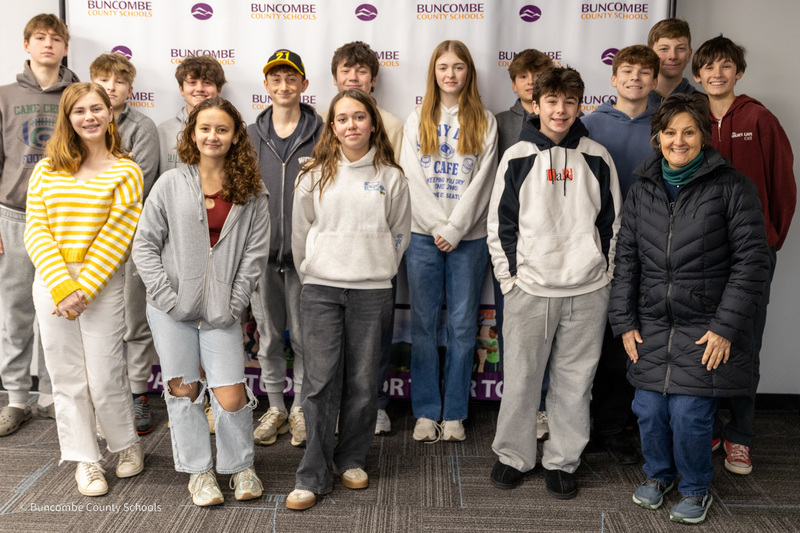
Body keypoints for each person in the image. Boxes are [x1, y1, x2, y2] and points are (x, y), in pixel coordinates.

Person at [609, 93, 768, 524]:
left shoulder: (733, 187)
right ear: (657, 137)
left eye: (689, 132)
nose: (679, 141)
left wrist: (725, 328)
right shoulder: (642, 188)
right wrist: (624, 322)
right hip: (653, 324)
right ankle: (659, 476)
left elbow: (753, 263)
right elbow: (625, 259)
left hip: (706, 327)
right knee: (648, 409)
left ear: (704, 135)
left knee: (689, 413)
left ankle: (696, 487)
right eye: (670, 132)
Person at [488, 67, 621, 499]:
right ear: (536, 104)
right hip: (531, 289)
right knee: (523, 378)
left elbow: (612, 225)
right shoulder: (518, 156)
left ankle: (563, 459)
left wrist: (605, 276)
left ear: (579, 104)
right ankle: (513, 455)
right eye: (551, 101)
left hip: (586, 290)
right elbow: (500, 225)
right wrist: (510, 280)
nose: (560, 110)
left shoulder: (598, 156)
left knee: (574, 382)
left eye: (569, 101)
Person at [133, 98, 269, 507]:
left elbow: (255, 255)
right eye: (205, 128)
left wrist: (235, 301)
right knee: (183, 390)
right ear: (192, 133)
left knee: (230, 394)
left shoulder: (251, 190)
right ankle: (199, 472)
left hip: (221, 312)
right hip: (170, 309)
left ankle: (240, 466)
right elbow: (144, 246)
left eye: (222, 129)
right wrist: (168, 298)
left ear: (235, 136)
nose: (213, 136)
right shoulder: (170, 184)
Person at [285, 88, 410, 511]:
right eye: (342, 119)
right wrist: (314, 271)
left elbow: (399, 233)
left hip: (372, 292)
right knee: (319, 383)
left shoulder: (391, 176)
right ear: (332, 127)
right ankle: (313, 473)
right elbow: (301, 235)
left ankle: (352, 459)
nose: (351, 125)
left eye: (359, 117)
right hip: (320, 289)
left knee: (361, 383)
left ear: (372, 123)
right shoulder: (313, 174)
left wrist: (378, 266)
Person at [24, 82, 144, 496]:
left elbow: (119, 234)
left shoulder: (126, 170)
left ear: (110, 114)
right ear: (68, 118)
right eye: (80, 111)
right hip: (52, 281)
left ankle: (126, 445)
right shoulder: (45, 170)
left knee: (106, 373)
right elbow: (36, 230)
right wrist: (61, 286)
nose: (89, 116)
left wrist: (84, 288)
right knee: (67, 376)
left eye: (97, 108)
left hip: (102, 283)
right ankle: (86, 460)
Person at [692, 35, 796, 475]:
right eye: (709, 67)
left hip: (750, 256)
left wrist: (769, 239)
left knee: (744, 345)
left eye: (726, 66)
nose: (717, 74)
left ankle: (740, 437)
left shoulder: (758, 118)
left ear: (737, 71)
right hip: (700, 256)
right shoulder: (690, 117)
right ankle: (711, 428)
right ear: (697, 75)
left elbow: (783, 187)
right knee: (703, 343)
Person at [400, 40, 497, 443]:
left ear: (468, 73)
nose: (451, 74)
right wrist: (439, 226)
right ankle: (426, 411)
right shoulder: (416, 118)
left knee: (461, 326)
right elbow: (410, 177)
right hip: (422, 236)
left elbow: (484, 181)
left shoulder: (485, 120)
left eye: (458, 67)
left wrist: (455, 228)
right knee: (423, 325)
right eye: (443, 67)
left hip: (469, 239)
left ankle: (454, 411)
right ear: (433, 72)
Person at [581, 44, 660, 465]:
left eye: (644, 72)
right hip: (595, 250)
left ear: (653, 78)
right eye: (627, 71)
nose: (635, 79)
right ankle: (582, 426)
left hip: (649, 251)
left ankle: (613, 427)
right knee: (586, 343)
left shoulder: (666, 122)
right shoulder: (589, 124)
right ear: (613, 79)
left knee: (626, 345)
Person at [0, 13, 77, 436]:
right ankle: (15, 397)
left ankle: (50, 394)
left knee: (56, 304)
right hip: (13, 214)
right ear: (26, 45)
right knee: (15, 310)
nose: (48, 44)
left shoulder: (78, 96)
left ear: (65, 47)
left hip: (63, 219)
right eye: (40, 38)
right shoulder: (5, 96)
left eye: (55, 38)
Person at [250, 49, 323, 449]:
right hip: (262, 258)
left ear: (304, 85)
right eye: (275, 79)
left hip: (306, 259)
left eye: (291, 79)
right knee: (269, 338)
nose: (283, 86)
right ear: (266, 86)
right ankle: (276, 406)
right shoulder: (248, 135)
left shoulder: (323, 133)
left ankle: (300, 409)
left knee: (306, 340)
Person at [330, 41, 403, 434]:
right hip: (332, 257)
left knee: (374, 337)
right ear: (336, 77)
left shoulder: (391, 124)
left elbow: (399, 197)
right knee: (333, 339)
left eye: (361, 72)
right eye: (346, 71)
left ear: (373, 79)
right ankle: (338, 405)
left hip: (375, 256)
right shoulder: (324, 122)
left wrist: (389, 257)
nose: (353, 77)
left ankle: (374, 404)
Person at [90, 52, 160, 435]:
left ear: (129, 89)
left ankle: (137, 394)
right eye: (103, 80)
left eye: (118, 82)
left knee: (134, 321)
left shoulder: (143, 127)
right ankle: (104, 395)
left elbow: (138, 186)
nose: (110, 87)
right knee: (99, 322)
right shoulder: (80, 124)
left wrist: (108, 171)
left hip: (130, 240)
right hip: (86, 240)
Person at [494, 48, 554, 440]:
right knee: (512, 332)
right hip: (512, 245)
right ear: (513, 84)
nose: (531, 82)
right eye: (524, 76)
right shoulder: (499, 123)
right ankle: (518, 408)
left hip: (555, 250)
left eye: (539, 75)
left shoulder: (567, 124)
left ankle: (547, 408)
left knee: (553, 333)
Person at [157, 56, 226, 175]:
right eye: (192, 82)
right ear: (181, 89)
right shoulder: (163, 131)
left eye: (207, 82)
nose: (199, 89)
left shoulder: (230, 130)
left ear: (218, 90)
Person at [647, 18, 702, 109]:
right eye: (664, 49)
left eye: (680, 49)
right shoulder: (636, 100)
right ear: (651, 54)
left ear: (689, 54)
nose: (672, 56)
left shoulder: (702, 103)